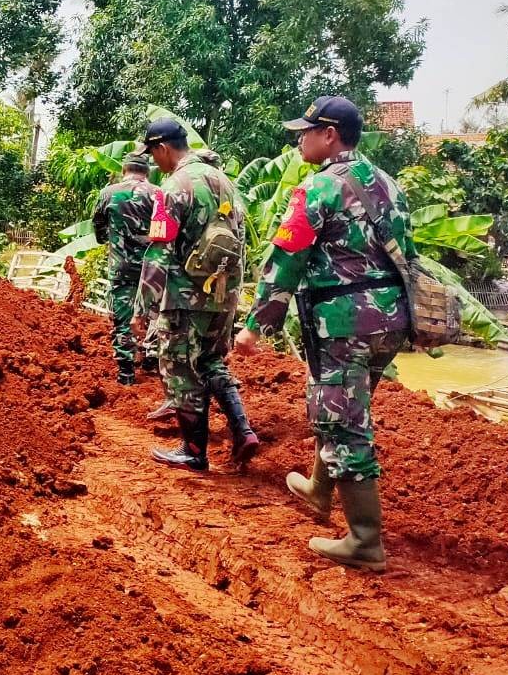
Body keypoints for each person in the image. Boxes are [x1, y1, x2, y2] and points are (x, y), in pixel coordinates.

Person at [234, 96, 412, 572]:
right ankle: (317, 489)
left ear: (330, 134)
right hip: (390, 321)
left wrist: (255, 327)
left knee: (341, 419)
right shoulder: (389, 184)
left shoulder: (318, 190)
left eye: (306, 131)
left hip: (342, 324)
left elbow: (285, 261)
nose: (299, 138)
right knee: (345, 407)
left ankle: (364, 541)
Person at [133, 118, 258, 471]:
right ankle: (242, 428)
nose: (155, 162)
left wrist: (142, 308)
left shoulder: (174, 187)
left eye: (154, 154)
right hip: (224, 294)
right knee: (210, 361)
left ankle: (193, 450)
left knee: (179, 369)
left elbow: (158, 250)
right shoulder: (225, 183)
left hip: (185, 297)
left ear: (162, 148)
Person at [92, 153, 156, 385]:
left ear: (124, 169)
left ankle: (126, 371)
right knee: (156, 312)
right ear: (147, 172)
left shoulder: (109, 193)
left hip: (121, 265)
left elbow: (99, 227)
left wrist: (110, 239)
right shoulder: (158, 193)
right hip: (153, 267)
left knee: (123, 314)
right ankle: (152, 357)